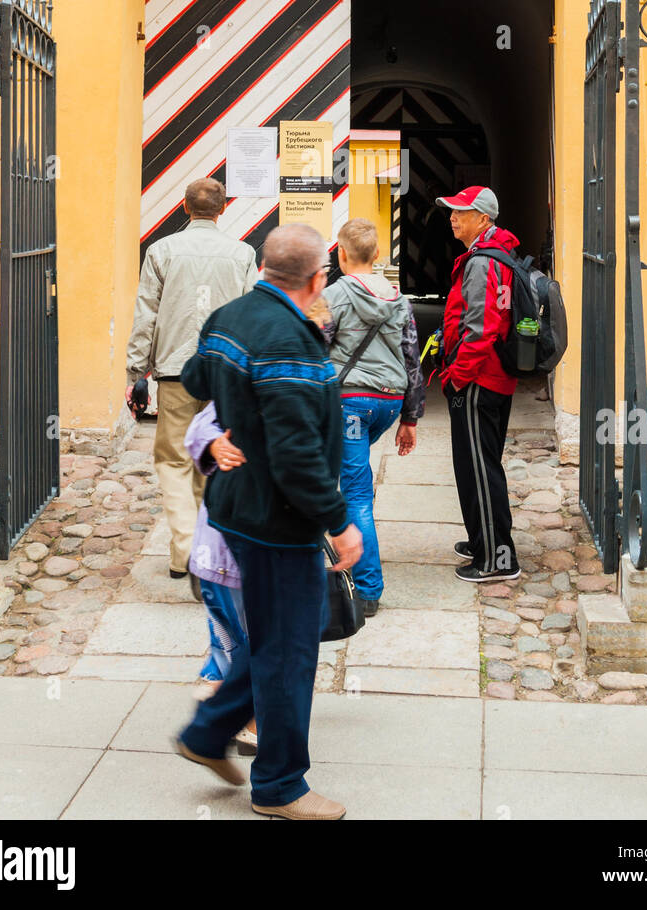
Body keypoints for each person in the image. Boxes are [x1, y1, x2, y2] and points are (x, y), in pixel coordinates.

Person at [174, 223, 362, 822]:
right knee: (288, 652)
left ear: (263, 268)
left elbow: (196, 378)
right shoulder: (291, 341)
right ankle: (280, 786)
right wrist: (338, 522)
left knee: (275, 641)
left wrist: (234, 420)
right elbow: (296, 454)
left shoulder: (230, 316)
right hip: (276, 522)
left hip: (234, 508)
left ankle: (208, 734)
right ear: (316, 278)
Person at [125, 177, 257, 583]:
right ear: (223, 209)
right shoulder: (242, 254)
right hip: (225, 376)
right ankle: (213, 547)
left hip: (175, 373)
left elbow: (146, 311)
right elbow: (251, 316)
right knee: (216, 459)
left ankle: (184, 548)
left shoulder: (162, 251)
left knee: (173, 460)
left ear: (184, 208)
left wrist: (136, 372)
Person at [318, 217, 424, 615]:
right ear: (378, 255)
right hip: (388, 403)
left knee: (355, 492)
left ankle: (366, 589)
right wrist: (410, 419)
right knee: (352, 480)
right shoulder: (399, 298)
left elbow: (312, 347)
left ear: (341, 253)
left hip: (349, 404)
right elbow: (412, 360)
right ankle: (338, 557)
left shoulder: (330, 295)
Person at [437, 186, 521, 584]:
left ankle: (498, 559)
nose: (453, 216)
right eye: (452, 210)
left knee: (480, 470)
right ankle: (483, 540)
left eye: (461, 211)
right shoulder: (493, 255)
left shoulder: (483, 263)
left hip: (478, 379)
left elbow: (481, 328)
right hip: (489, 377)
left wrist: (457, 377)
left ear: (484, 218)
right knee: (476, 466)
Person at [184, 401, 256, 753]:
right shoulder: (239, 381)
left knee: (245, 640)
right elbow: (200, 427)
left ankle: (224, 711)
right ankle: (235, 721)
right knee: (244, 641)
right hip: (224, 550)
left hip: (242, 550)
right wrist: (214, 443)